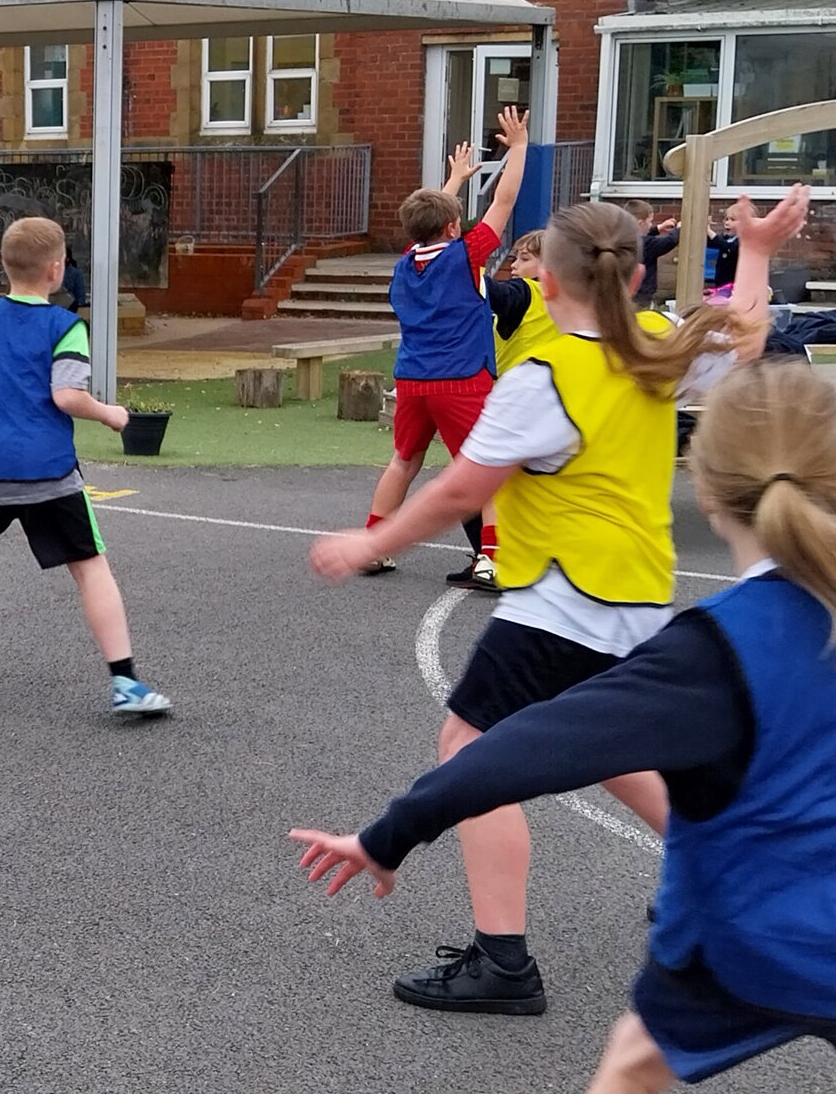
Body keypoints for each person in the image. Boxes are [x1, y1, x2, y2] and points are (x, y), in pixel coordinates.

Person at [290, 360, 836, 1094]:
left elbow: (518, 750)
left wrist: (386, 838)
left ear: (705, 481)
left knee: (631, 1066)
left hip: (751, 942)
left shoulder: (720, 650)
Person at [308, 187, 807, 1014]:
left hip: (562, 600)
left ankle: (502, 962)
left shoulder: (545, 376)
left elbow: (461, 489)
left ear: (546, 282)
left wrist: (370, 542)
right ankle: (723, 877)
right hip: (636, 594)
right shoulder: (653, 343)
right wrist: (752, 249)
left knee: (472, 750)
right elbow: (747, 339)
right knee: (608, 749)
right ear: (638, 278)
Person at [0, 215, 172, 717]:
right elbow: (67, 395)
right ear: (56, 270)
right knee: (91, 567)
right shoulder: (66, 327)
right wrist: (111, 414)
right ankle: (126, 682)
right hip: (46, 473)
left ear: (5, 268)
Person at [362, 115, 532, 589]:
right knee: (485, 465)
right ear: (456, 226)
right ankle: (491, 559)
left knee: (403, 460)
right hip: (461, 379)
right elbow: (504, 199)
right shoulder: (466, 255)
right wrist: (518, 147)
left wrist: (454, 179)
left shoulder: (403, 265)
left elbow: (429, 219)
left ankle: (374, 547)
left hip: (412, 379)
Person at [488, 231, 559, 378]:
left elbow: (486, 289)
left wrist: (466, 266)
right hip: (555, 389)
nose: (514, 265)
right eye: (515, 258)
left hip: (511, 388)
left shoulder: (523, 291)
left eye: (524, 259)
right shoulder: (574, 298)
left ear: (549, 265)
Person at [629, 200, 681, 307]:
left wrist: (658, 229)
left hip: (629, 290)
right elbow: (669, 242)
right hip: (643, 293)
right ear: (640, 223)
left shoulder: (626, 238)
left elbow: (644, 236)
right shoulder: (646, 244)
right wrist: (679, 229)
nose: (651, 224)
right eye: (650, 221)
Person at [57, 246, 90, 313]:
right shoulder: (52, 272)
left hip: (70, 309)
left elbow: (80, 296)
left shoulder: (76, 274)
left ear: (67, 259)